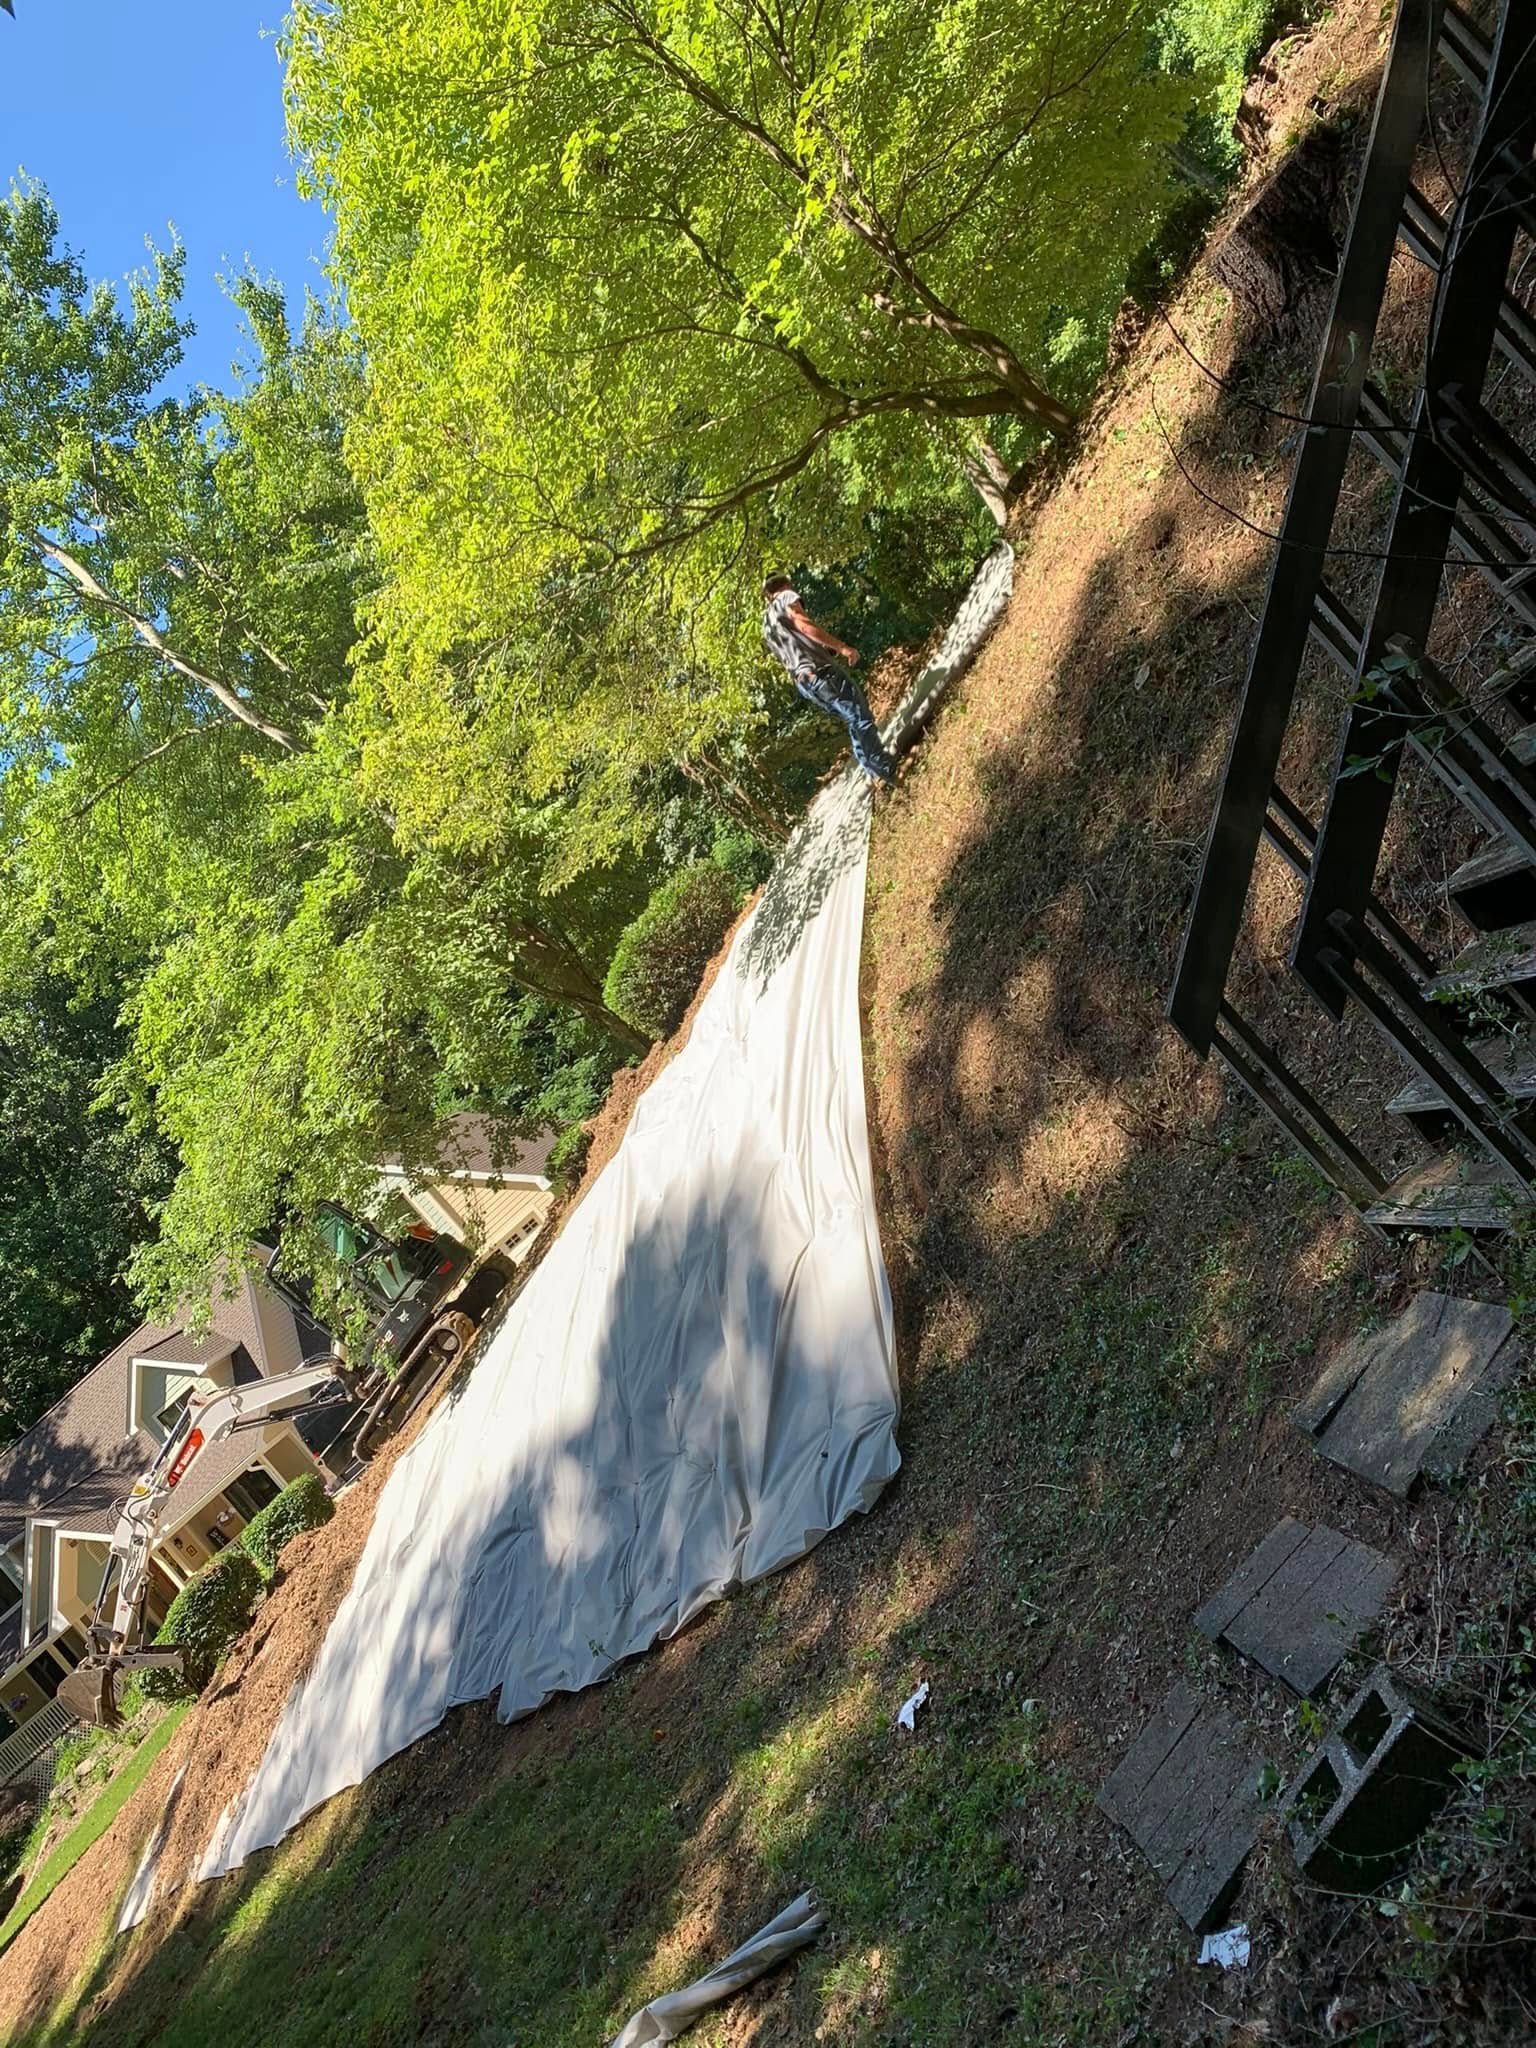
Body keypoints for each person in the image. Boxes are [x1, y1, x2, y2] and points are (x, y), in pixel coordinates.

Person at [761, 574, 896, 786]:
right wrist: (842, 647)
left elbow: (793, 649)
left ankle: (873, 772)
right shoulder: (786, 597)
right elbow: (804, 625)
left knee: (852, 719)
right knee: (860, 716)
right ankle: (887, 769)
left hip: (805, 683)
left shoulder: (767, 624)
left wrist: (820, 649)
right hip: (821, 673)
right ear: (786, 584)